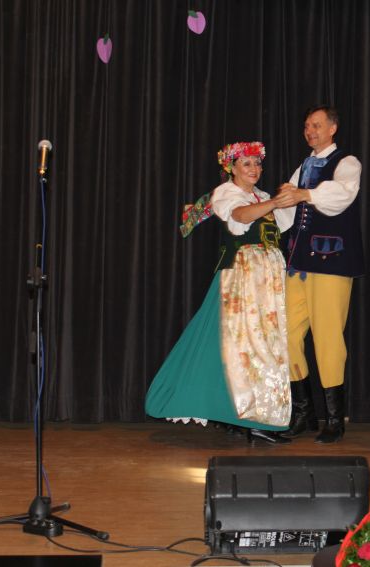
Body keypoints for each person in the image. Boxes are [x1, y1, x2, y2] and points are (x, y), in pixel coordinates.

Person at [145, 141, 301, 445]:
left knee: (265, 345)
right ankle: (249, 418)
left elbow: (282, 222)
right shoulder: (227, 193)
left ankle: (254, 416)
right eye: (247, 164)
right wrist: (274, 203)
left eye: (257, 164)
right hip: (243, 277)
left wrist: (288, 197)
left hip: (267, 277)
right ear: (232, 168)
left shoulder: (262, 196)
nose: (254, 169)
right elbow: (241, 216)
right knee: (244, 346)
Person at [274, 105, 364, 444]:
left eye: (316, 125)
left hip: (331, 263)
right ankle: (304, 412)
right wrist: (278, 202)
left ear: (332, 128)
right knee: (285, 335)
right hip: (298, 265)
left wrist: (304, 194)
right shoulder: (304, 166)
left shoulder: (347, 162)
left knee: (327, 339)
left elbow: (341, 196)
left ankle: (334, 418)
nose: (310, 131)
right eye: (306, 126)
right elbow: (289, 209)